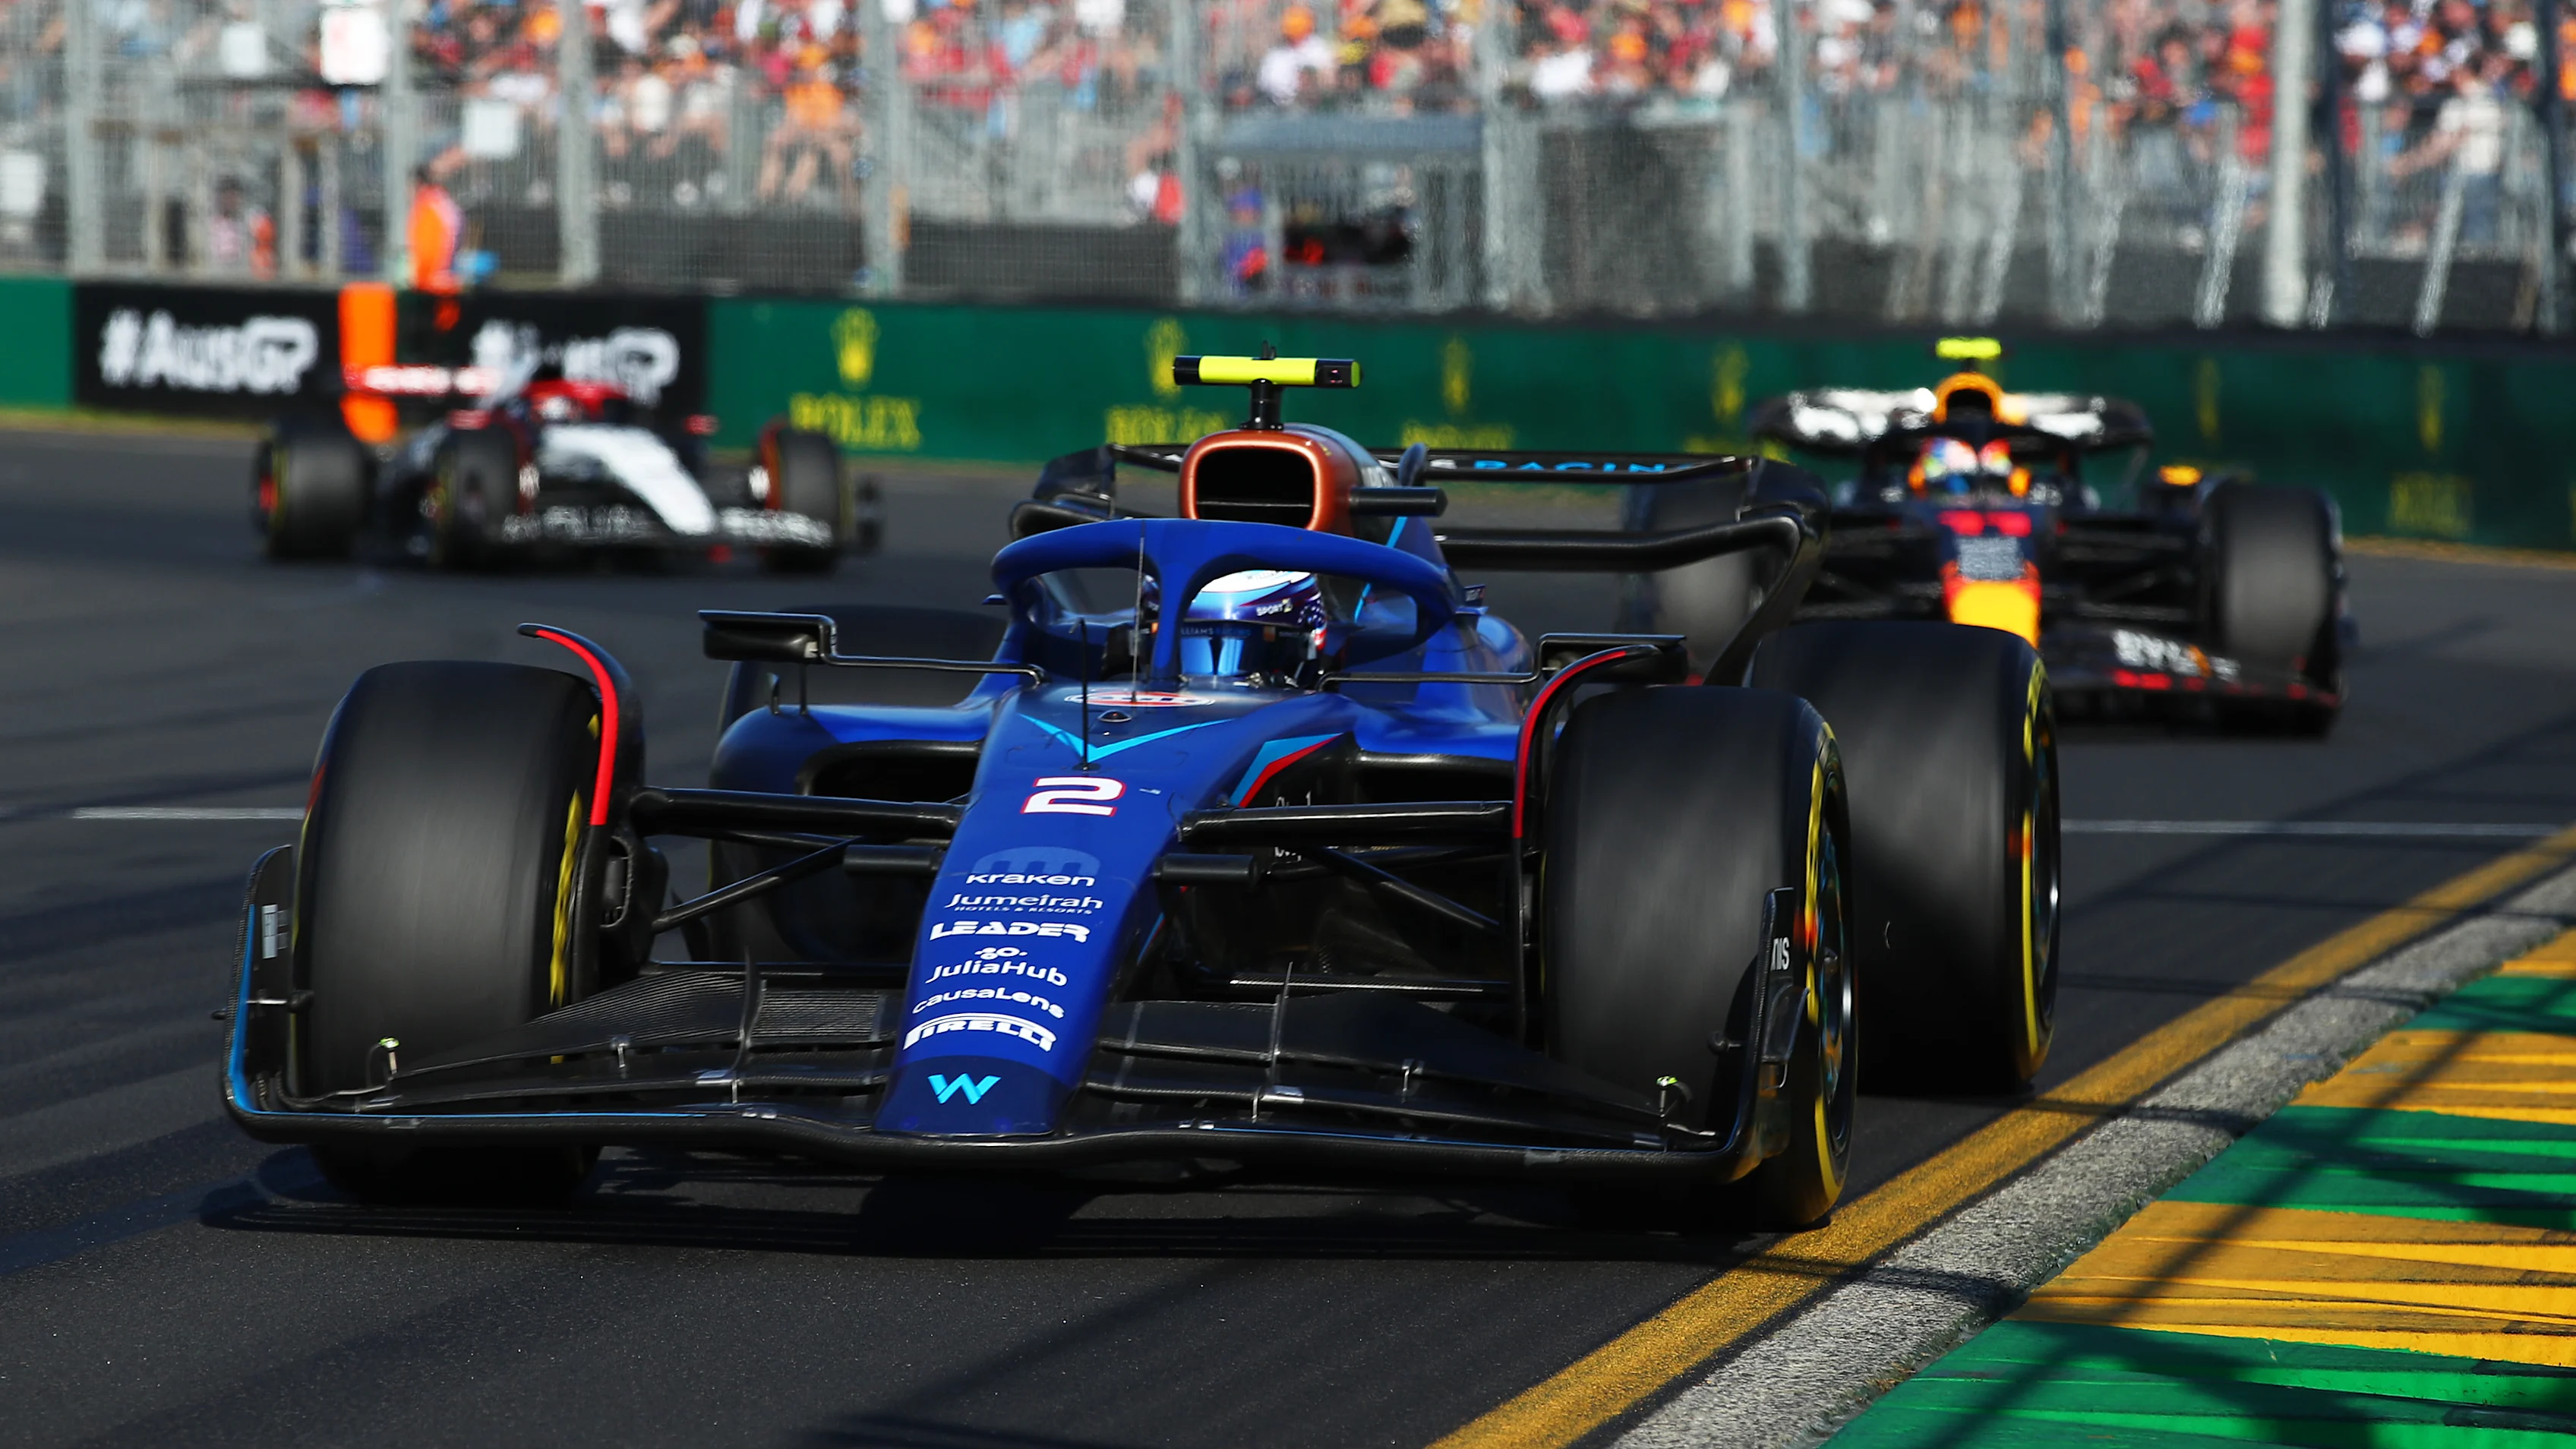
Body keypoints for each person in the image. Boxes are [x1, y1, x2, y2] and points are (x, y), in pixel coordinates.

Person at [408, 164, 463, 297]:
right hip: (444, 280)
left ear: (418, 184)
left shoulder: (429, 207)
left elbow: (427, 250)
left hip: (433, 286)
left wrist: (419, 279)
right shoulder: (442, 202)